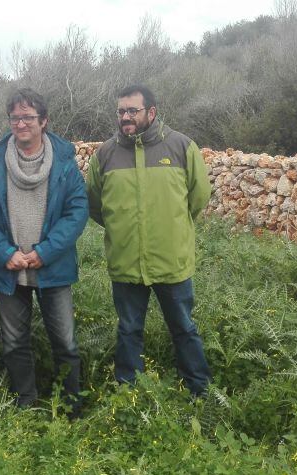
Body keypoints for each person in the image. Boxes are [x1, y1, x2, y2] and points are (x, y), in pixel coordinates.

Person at [0, 88, 88, 415]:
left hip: (52, 267)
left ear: (44, 121)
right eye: (15, 117)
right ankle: (26, 403)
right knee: (14, 343)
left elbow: (77, 211)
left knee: (65, 343)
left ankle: (71, 406)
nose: (21, 124)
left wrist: (45, 252)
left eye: (29, 117)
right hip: (8, 268)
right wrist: (4, 251)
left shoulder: (64, 161)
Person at [86, 84, 212, 397]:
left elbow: (198, 197)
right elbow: (95, 204)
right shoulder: (105, 155)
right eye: (121, 111)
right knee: (129, 330)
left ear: (151, 112)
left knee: (183, 328)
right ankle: (129, 396)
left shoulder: (181, 147)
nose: (125, 117)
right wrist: (122, 228)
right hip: (126, 261)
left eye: (132, 110)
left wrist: (172, 226)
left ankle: (199, 391)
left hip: (172, 260)